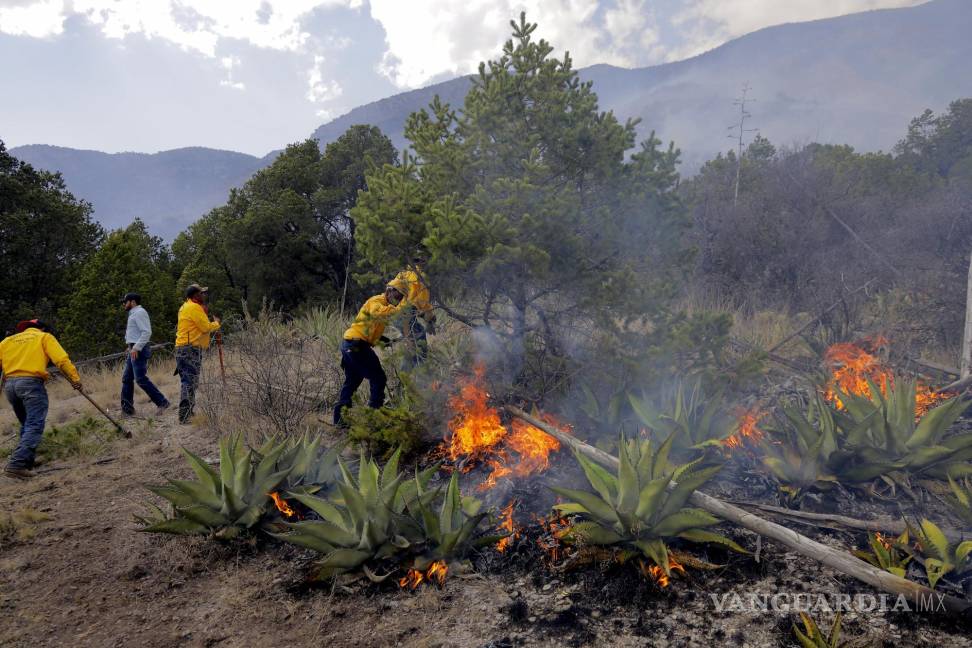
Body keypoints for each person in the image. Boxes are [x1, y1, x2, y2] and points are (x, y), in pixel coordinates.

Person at [0, 319, 81, 480]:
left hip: (11, 386)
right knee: (34, 424)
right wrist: (75, 380)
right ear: (42, 328)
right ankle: (17, 464)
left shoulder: (7, 341)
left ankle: (26, 461)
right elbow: (61, 360)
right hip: (30, 384)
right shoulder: (44, 337)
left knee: (26, 423)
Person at [333, 283, 409, 426]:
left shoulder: (383, 304)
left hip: (350, 344)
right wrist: (399, 308)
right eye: (398, 296)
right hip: (356, 345)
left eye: (401, 298)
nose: (398, 300)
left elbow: (370, 328)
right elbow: (377, 313)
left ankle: (339, 421)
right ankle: (375, 418)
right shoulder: (376, 301)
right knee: (379, 378)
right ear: (389, 291)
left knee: (352, 381)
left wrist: (383, 340)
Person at [174, 284, 220, 424]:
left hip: (182, 348)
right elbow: (205, 327)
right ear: (195, 295)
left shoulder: (184, 307)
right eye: (201, 293)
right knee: (190, 381)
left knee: (187, 380)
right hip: (190, 349)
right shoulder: (194, 307)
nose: (204, 295)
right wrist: (217, 323)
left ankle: (188, 411)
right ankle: (185, 414)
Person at [120, 292, 170, 417]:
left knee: (140, 379)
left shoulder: (140, 313)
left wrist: (136, 348)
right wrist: (130, 346)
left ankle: (163, 402)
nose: (123, 305)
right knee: (127, 378)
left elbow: (146, 332)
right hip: (134, 349)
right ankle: (127, 410)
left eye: (125, 302)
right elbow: (135, 333)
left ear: (132, 302)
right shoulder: (134, 314)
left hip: (139, 350)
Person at [390, 257, 436, 369]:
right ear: (421, 262)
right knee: (420, 346)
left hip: (396, 314)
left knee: (412, 345)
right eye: (424, 260)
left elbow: (391, 291)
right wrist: (430, 320)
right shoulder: (421, 277)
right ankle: (420, 378)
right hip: (406, 316)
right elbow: (422, 302)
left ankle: (404, 379)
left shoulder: (402, 274)